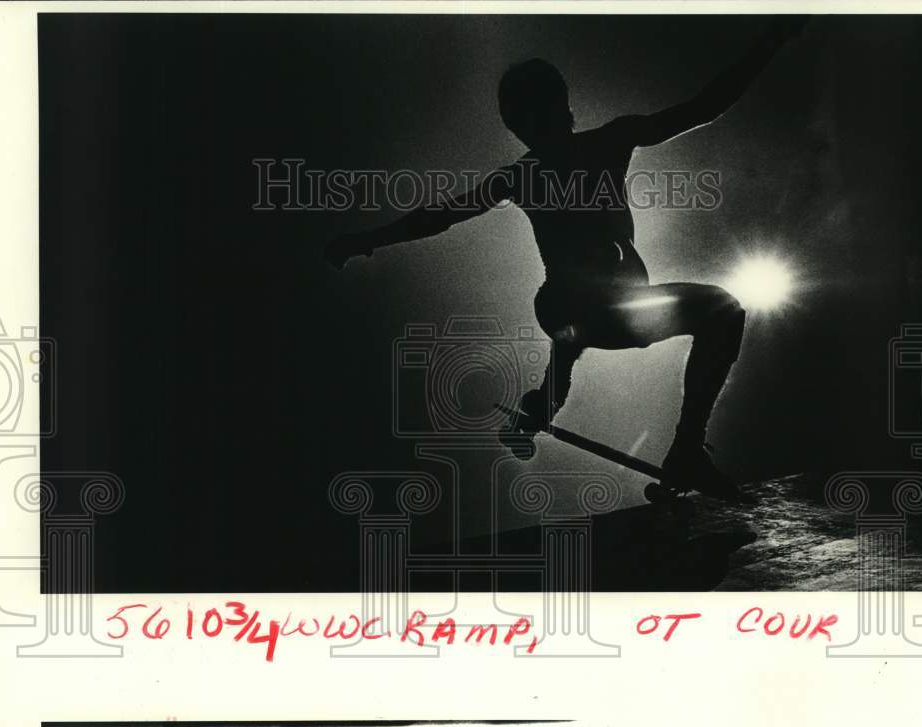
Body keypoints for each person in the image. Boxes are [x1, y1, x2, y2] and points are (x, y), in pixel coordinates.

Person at [325, 17, 806, 498]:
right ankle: (669, 443)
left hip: (595, 306)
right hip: (583, 304)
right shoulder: (575, 154)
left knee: (597, 338)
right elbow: (438, 217)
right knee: (712, 310)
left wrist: (366, 240)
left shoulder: (557, 160)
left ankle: (549, 411)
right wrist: (366, 239)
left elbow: (704, 108)